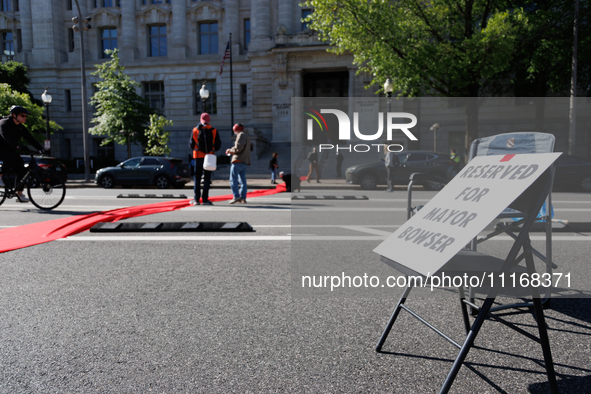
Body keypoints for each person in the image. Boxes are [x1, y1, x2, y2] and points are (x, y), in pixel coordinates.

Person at [0, 106, 45, 203]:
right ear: (14, 115)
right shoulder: (4, 123)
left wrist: (40, 148)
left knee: (22, 170)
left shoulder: (20, 127)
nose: (25, 117)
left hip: (10, 150)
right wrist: (18, 146)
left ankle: (19, 194)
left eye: (26, 116)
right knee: (9, 159)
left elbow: (30, 139)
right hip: (1, 149)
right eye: (22, 115)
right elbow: (6, 136)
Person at [189, 113, 221, 205]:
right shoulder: (214, 130)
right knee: (207, 179)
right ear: (209, 120)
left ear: (200, 120)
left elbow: (191, 144)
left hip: (198, 156)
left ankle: (196, 199)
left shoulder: (195, 130)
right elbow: (218, 145)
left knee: (197, 178)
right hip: (209, 157)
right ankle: (205, 199)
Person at [226, 123, 251, 204]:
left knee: (233, 179)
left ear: (236, 129)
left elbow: (238, 148)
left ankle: (236, 196)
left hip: (238, 161)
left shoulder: (240, 135)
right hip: (244, 161)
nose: (234, 132)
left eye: (234, 130)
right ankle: (243, 197)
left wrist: (230, 150)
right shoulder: (247, 136)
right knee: (242, 180)